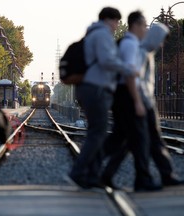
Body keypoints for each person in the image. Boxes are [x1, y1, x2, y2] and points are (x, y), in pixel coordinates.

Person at [68, 7, 138, 189]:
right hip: (95, 88)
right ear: (109, 19)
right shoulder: (102, 35)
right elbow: (107, 61)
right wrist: (128, 69)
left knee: (97, 132)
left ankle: (92, 175)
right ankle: (79, 172)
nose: (117, 26)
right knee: (97, 133)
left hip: (91, 88)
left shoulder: (94, 33)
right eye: (116, 21)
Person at [102, 11, 160, 192]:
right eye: (144, 26)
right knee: (138, 139)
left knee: (124, 139)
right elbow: (129, 76)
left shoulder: (131, 44)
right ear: (136, 25)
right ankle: (142, 180)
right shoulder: (130, 45)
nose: (145, 30)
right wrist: (137, 101)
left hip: (125, 96)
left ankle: (104, 174)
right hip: (127, 96)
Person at [140, 23, 184, 186]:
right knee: (146, 141)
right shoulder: (142, 53)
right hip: (142, 103)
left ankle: (163, 175)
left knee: (148, 140)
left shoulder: (147, 53)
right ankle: (161, 176)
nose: (162, 44)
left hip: (144, 102)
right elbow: (136, 80)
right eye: (161, 40)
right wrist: (142, 102)